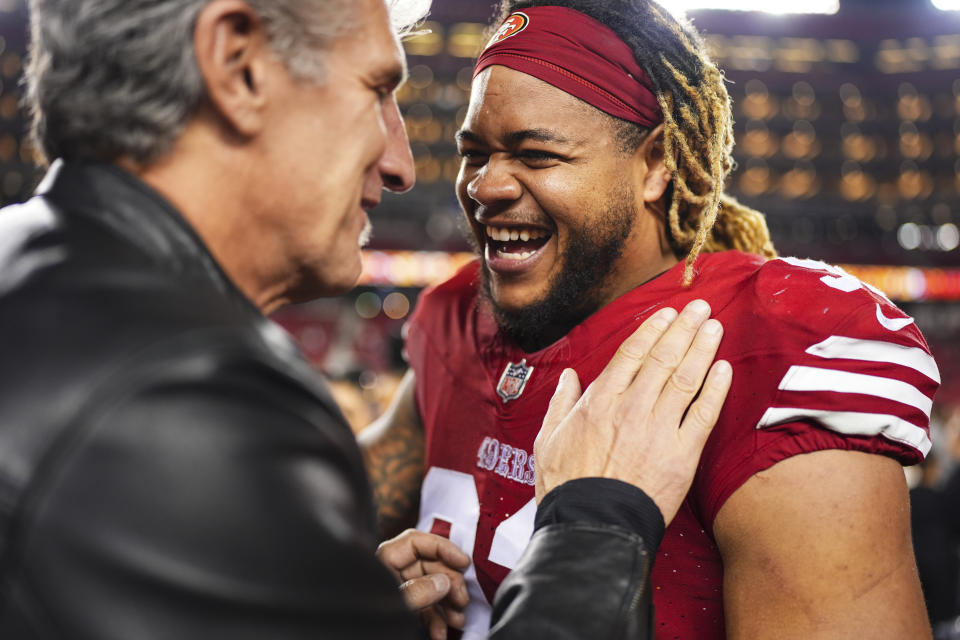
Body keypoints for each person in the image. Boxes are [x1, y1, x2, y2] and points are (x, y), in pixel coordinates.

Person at [0, 0, 732, 638]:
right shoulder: (183, 389)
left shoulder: (31, 262)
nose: (402, 162)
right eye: (377, 89)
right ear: (238, 63)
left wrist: (327, 609)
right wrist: (596, 524)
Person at [360, 1, 941, 638]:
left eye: (537, 155)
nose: (486, 185)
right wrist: (352, 592)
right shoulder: (458, 312)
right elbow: (314, 525)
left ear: (657, 163)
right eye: (476, 153)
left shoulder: (768, 344)